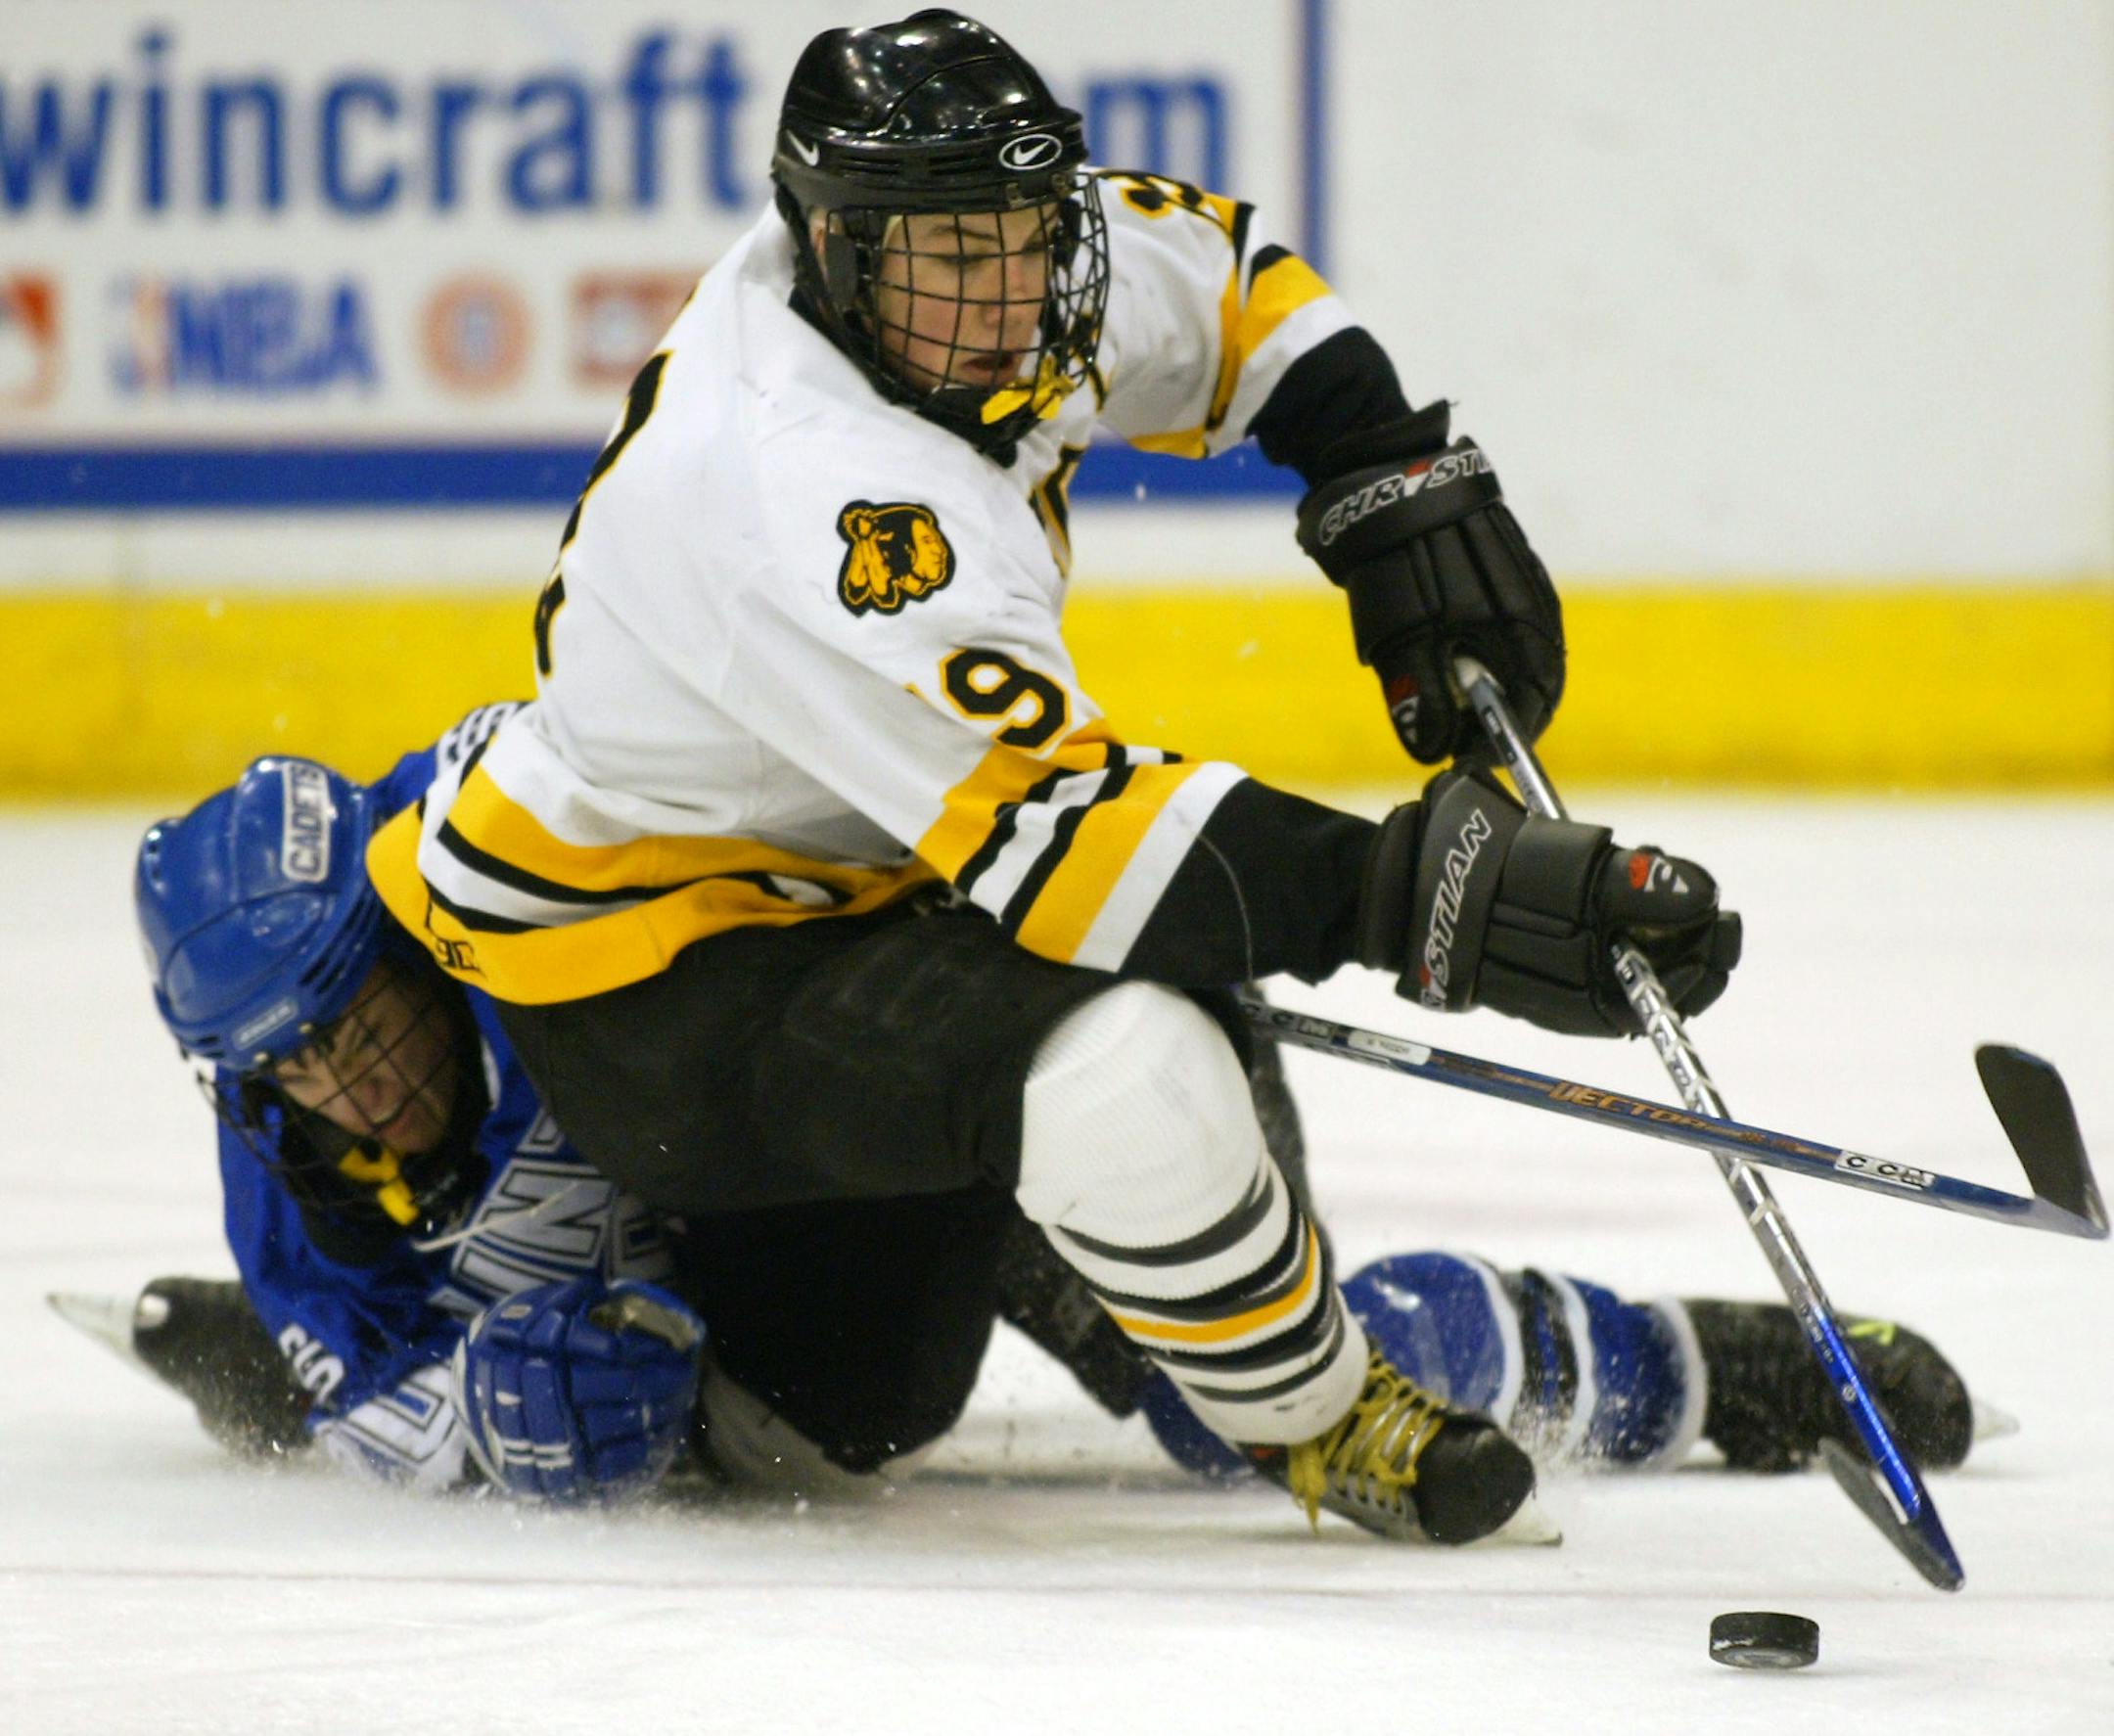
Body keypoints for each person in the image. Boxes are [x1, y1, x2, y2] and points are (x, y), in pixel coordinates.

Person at [362, 10, 1745, 1544]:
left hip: (879, 865)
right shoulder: (797, 485)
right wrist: (1425, 898)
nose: (1014, 295)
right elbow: (1080, 848)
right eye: (961, 256)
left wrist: (1381, 471)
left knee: (1134, 1074)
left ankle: (1038, 1213)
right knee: (1086, 1123)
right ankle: (1319, 1413)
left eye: (1028, 239)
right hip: (668, 991)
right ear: (829, 247)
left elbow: (1227, 285)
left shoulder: (962, 287)